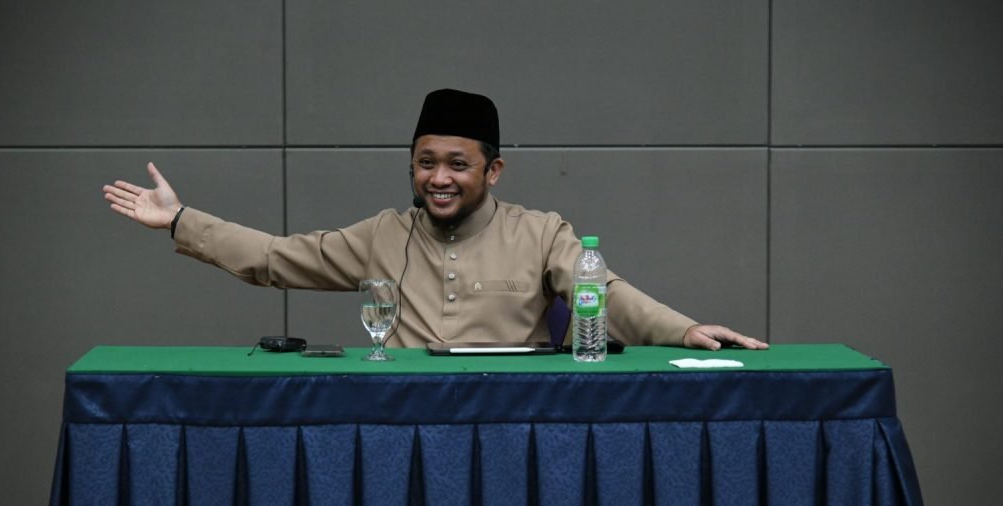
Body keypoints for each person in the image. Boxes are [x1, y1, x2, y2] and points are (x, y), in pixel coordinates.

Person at [102, 88, 767, 351]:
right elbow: (276, 257)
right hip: (401, 427)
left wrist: (685, 330)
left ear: (493, 171)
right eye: (425, 163)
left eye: (457, 164)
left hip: (511, 429)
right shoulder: (382, 234)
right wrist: (179, 220)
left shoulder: (542, 232)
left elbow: (606, 293)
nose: (438, 178)